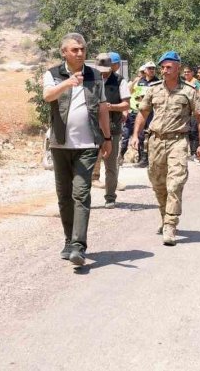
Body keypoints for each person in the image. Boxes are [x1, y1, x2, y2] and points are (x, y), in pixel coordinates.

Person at [42, 33, 112, 267]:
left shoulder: (95, 76)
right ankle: (69, 241)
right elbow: (47, 96)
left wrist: (107, 136)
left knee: (81, 194)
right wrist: (67, 82)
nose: (80, 53)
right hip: (60, 144)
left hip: (87, 145)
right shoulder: (52, 74)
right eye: (75, 50)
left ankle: (79, 247)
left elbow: (102, 107)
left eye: (82, 49)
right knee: (64, 197)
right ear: (64, 53)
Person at [131, 51, 200, 246]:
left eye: (168, 67)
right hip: (155, 141)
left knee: (175, 183)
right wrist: (135, 136)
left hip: (178, 141)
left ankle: (170, 224)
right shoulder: (153, 89)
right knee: (158, 182)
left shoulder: (189, 91)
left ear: (178, 68)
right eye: (162, 67)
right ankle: (164, 215)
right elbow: (143, 112)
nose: (164, 71)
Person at [91, 52, 129, 208]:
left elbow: (126, 105)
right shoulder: (90, 80)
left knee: (111, 165)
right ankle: (83, 199)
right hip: (92, 129)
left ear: (112, 67)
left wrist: (110, 107)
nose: (102, 72)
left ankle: (110, 197)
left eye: (105, 69)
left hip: (112, 129)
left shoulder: (120, 81)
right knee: (86, 164)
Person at [120, 61, 157, 167]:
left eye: (153, 68)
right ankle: (128, 157)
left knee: (147, 136)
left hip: (149, 113)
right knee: (130, 135)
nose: (151, 70)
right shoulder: (138, 81)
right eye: (149, 68)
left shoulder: (157, 82)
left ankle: (146, 159)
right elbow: (128, 94)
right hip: (135, 112)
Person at [182, 65, 200, 155]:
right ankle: (191, 152)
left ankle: (195, 153)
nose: (186, 73)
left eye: (188, 72)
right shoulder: (184, 82)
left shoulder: (196, 82)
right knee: (188, 131)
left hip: (194, 111)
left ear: (192, 73)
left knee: (194, 132)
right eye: (185, 72)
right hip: (186, 111)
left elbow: (199, 94)